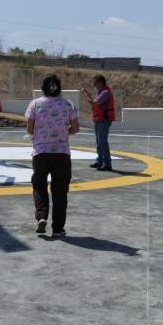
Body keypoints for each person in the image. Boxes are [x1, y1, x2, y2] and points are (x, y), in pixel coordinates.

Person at [25, 74, 79, 237]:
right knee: (60, 191)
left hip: (41, 153)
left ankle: (41, 216)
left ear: (43, 87)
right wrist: (64, 132)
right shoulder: (68, 104)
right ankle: (58, 228)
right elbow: (75, 128)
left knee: (39, 185)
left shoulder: (35, 104)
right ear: (59, 87)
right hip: (61, 153)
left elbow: (30, 129)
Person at [81, 74, 116, 172]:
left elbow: (93, 103)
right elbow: (94, 102)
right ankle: (100, 161)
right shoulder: (101, 92)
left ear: (100, 83)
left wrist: (85, 94)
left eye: (95, 83)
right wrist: (87, 94)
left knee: (102, 142)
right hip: (99, 120)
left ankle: (107, 164)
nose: (94, 85)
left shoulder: (105, 93)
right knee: (99, 142)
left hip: (104, 120)